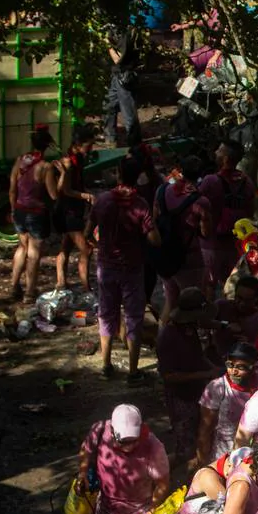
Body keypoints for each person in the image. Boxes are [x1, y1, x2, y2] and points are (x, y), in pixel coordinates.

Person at [87, 156, 161, 383]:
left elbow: (87, 232)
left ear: (118, 175)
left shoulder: (102, 201)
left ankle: (106, 365)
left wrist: (100, 243)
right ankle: (132, 371)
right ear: (137, 177)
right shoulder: (139, 204)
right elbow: (154, 240)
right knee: (133, 317)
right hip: (132, 268)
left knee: (107, 314)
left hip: (106, 267)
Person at [156, 288, 219, 465]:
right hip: (181, 397)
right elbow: (169, 376)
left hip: (199, 391)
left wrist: (213, 368)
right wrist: (205, 374)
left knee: (203, 432)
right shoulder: (168, 337)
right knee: (186, 443)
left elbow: (198, 355)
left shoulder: (189, 329)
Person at [155, 155, 214, 322]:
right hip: (189, 258)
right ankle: (186, 342)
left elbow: (154, 218)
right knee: (191, 305)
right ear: (200, 176)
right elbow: (205, 233)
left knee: (171, 300)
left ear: (180, 171)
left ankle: (163, 340)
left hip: (164, 255)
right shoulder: (201, 201)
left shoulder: (162, 190)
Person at [198, 139, 256, 294]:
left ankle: (208, 315)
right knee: (231, 287)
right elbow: (251, 212)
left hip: (212, 244)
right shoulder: (247, 182)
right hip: (235, 244)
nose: (216, 152)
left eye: (219, 150)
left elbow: (196, 205)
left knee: (208, 286)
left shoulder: (210, 181)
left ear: (225, 159)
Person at [48, 125, 98, 293]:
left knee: (66, 247)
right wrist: (86, 196)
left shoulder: (78, 159)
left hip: (73, 210)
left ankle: (61, 282)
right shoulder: (68, 162)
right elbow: (65, 190)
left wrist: (86, 192)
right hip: (67, 211)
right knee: (86, 249)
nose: (90, 149)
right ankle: (86, 288)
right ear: (78, 144)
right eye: (88, 145)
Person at [194, 340, 258, 469]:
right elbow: (205, 430)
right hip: (222, 457)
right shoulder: (217, 387)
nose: (233, 371)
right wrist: (202, 465)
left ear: (253, 368)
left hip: (252, 454)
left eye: (241, 367)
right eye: (230, 365)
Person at [9, 125, 54, 303]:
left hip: (19, 210)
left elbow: (12, 189)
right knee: (34, 253)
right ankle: (29, 292)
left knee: (22, 247)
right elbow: (53, 194)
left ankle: (14, 286)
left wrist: (13, 209)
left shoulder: (20, 160)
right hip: (36, 213)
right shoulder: (45, 167)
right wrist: (63, 176)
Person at [212, 274, 258, 357]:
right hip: (215, 357)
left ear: (256, 298)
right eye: (239, 298)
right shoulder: (221, 306)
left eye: (247, 300)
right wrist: (225, 325)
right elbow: (203, 321)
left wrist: (249, 344)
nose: (241, 304)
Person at [104, 24, 141, 146]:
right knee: (108, 106)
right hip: (117, 76)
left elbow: (118, 60)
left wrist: (108, 45)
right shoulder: (119, 31)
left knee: (128, 112)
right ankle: (111, 139)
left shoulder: (125, 34)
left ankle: (135, 144)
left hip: (124, 77)